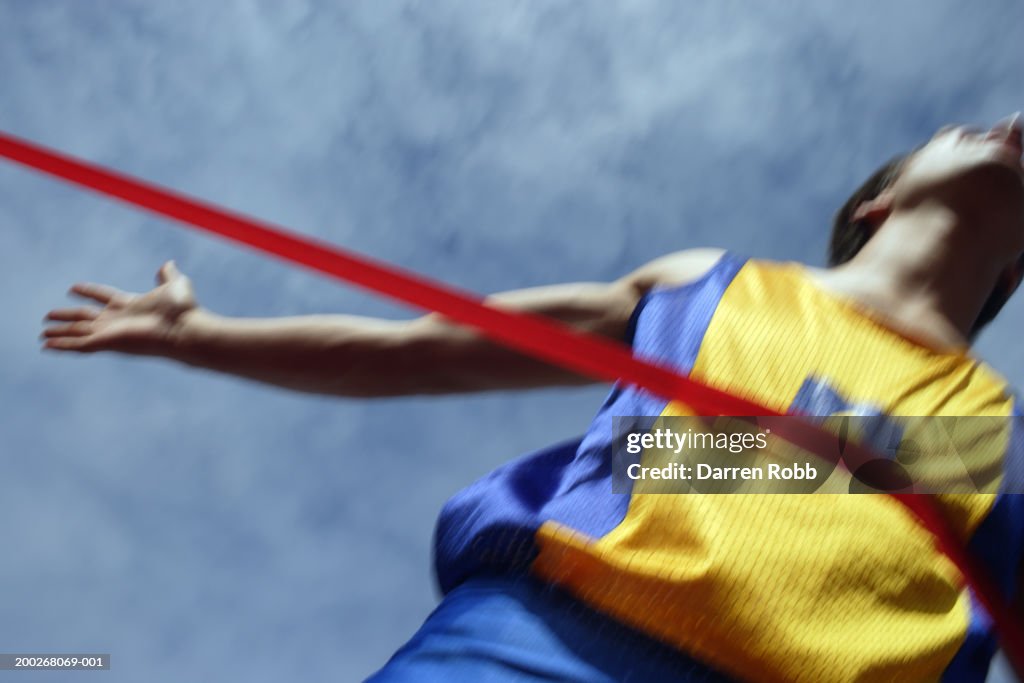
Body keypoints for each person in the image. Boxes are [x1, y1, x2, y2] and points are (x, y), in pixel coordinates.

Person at [42, 115, 1024, 682]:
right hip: (538, 650)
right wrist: (197, 335)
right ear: (877, 203)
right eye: (968, 127)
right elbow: (417, 352)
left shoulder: (996, 431)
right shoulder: (711, 288)